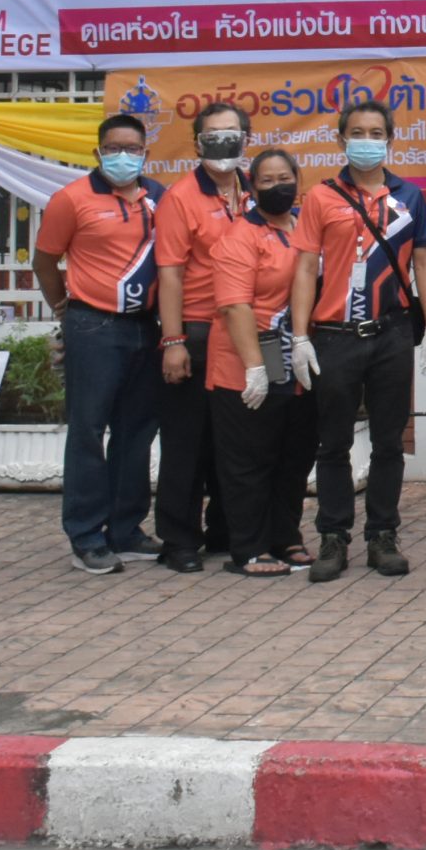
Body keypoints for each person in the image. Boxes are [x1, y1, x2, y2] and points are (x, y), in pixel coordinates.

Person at [289, 101, 426, 583]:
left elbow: (424, 262)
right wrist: (299, 335)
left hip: (391, 332)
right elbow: (305, 267)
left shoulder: (409, 197)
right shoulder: (320, 197)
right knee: (332, 442)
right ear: (341, 140)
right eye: (357, 132)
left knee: (388, 441)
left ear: (390, 140)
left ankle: (382, 535)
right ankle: (333, 536)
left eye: (376, 133)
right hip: (335, 335)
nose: (367, 141)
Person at [33, 112, 167, 574]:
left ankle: (125, 530)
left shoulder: (160, 198)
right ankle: (87, 535)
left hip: (146, 326)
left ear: (146, 154)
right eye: (113, 148)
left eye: (132, 149)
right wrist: (63, 309)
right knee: (88, 431)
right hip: (93, 326)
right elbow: (45, 262)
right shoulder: (71, 199)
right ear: (97, 152)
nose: (123, 156)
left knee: (137, 431)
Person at [207, 149, 317, 577]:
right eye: (267, 181)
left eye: (284, 178)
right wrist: (255, 367)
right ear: (251, 186)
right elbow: (234, 306)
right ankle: (249, 548)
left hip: (297, 362)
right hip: (247, 361)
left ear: (298, 179)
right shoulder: (240, 236)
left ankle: (284, 536)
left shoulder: (305, 227)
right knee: (250, 460)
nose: (278, 187)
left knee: (294, 456)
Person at [150, 101, 245, 572]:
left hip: (245, 333)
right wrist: (173, 341)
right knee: (187, 442)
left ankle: (225, 530)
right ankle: (179, 540)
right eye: (213, 136)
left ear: (245, 139)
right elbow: (169, 273)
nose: (223, 143)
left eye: (231, 134)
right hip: (198, 330)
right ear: (197, 144)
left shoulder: (254, 190)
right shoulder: (180, 198)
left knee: (235, 441)